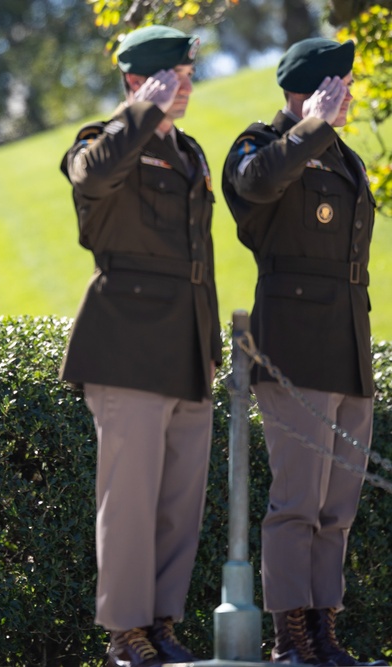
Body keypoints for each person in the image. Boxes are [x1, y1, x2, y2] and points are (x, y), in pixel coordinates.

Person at [58, 25, 221, 667]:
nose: (185, 85)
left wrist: (208, 344)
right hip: (125, 347)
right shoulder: (101, 141)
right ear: (137, 81)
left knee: (179, 501)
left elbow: (199, 260)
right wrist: (140, 113)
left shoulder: (191, 153)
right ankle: (125, 633)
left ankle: (160, 625)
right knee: (127, 502)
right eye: (172, 76)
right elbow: (91, 181)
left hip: (186, 350)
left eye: (185, 75)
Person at [222, 38, 388, 666]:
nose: (349, 94)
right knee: (297, 504)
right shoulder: (261, 143)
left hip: (346, 346)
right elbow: (254, 189)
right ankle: (289, 638)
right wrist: (311, 125)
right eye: (339, 85)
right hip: (294, 347)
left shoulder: (341, 155)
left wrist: (322, 131)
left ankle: (322, 635)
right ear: (311, 89)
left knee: (337, 506)